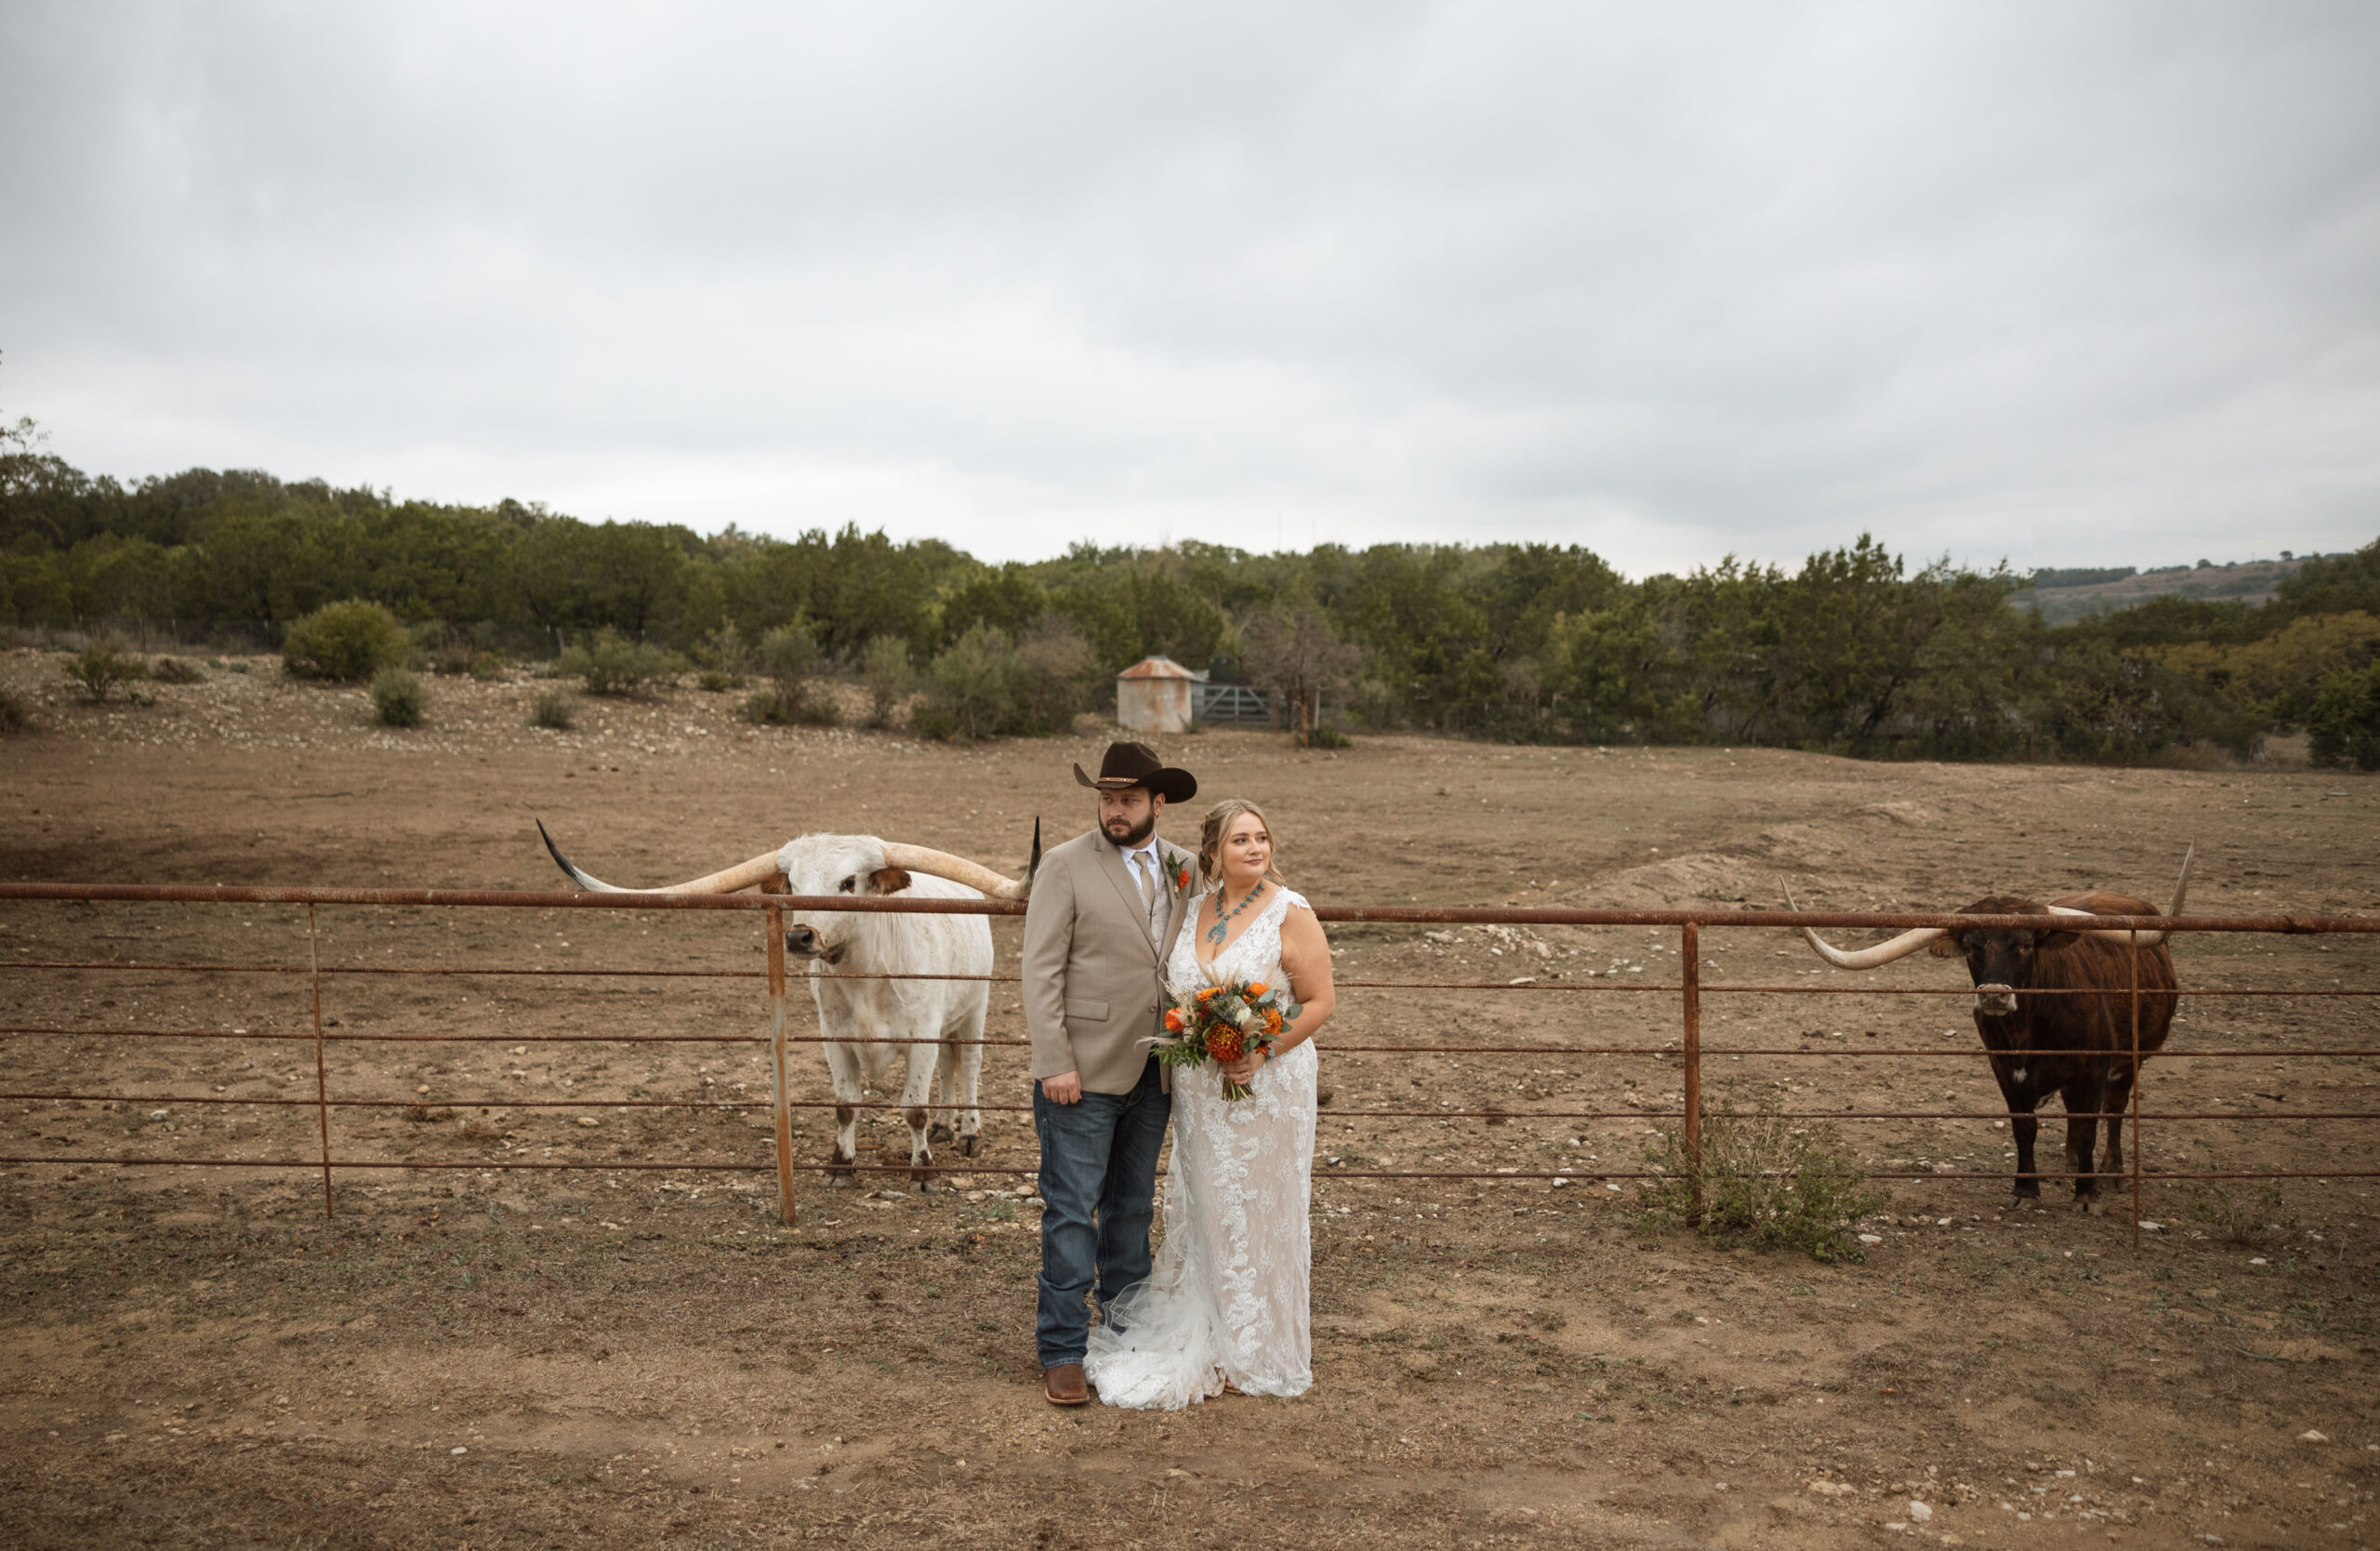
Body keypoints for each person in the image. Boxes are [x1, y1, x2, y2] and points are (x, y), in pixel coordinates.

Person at [1082, 796, 1336, 1409]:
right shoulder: (1194, 908)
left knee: (1260, 1210)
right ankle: (1215, 1333)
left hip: (1268, 1087)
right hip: (1200, 1091)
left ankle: (1256, 1349)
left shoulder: (1290, 911)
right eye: (1241, 840)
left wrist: (1263, 1048)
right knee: (1212, 1211)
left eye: (1262, 838)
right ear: (1215, 854)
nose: (1256, 849)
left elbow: (1320, 1002)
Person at [1022, 740, 1203, 1406]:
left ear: (1159, 802)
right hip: (1082, 1072)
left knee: (1130, 1211)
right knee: (1071, 1212)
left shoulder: (1187, 868)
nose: (1114, 811)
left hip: (1156, 1072)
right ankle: (1063, 1348)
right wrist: (1054, 1061)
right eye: (1106, 798)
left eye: (1127, 799)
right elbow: (1040, 970)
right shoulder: (1066, 866)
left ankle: (1126, 1333)